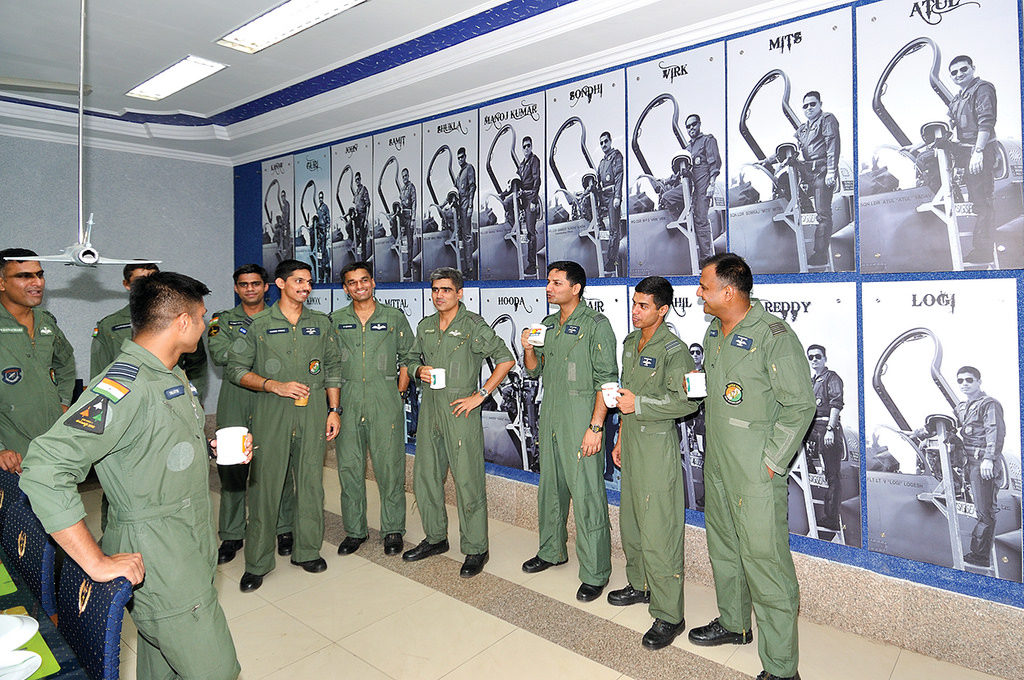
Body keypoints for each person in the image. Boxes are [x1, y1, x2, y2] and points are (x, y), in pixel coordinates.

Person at [20, 271, 241, 680]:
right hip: (160, 554)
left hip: (185, 541)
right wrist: (96, 562)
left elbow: (148, 444)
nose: (205, 325)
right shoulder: (125, 385)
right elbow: (45, 467)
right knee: (217, 671)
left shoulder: (170, 371)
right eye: (201, 316)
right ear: (182, 322)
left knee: (163, 664)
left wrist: (203, 450)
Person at [687, 253, 814, 680]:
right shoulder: (713, 331)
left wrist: (772, 463)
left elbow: (801, 406)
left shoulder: (774, 335)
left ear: (729, 290)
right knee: (724, 548)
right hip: (719, 462)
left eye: (704, 286)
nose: (698, 293)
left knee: (766, 562)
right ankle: (735, 623)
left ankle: (781, 668)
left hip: (756, 470)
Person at [227, 259, 342, 593]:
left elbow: (333, 367)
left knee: (310, 484)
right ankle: (258, 563)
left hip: (312, 414)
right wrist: (272, 385)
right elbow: (236, 369)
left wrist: (334, 410)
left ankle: (307, 551)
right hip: (271, 414)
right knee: (265, 488)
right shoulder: (259, 324)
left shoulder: (321, 323)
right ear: (279, 283)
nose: (306, 287)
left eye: (309, 282)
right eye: (299, 281)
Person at [403, 267, 514, 577]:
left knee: (467, 481)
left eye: (446, 290)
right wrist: (417, 371)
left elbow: (506, 358)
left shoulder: (472, 326)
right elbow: (411, 359)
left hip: (460, 411)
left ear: (459, 293)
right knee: (426, 477)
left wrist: (481, 394)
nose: (440, 295)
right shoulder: (425, 326)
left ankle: (476, 548)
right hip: (430, 411)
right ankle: (435, 538)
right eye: (436, 290)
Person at [608, 276, 697, 649]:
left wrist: (640, 407)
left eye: (643, 306)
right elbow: (626, 394)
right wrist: (619, 435)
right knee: (631, 522)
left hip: (657, 445)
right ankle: (640, 584)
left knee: (659, 530)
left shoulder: (675, 351)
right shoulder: (630, 343)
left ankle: (669, 614)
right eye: (633, 303)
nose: (635, 311)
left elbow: (689, 403)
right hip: (631, 441)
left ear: (662, 309)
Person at [520, 260, 617, 601]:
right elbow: (534, 372)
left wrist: (595, 427)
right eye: (548, 282)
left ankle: (595, 572)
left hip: (582, 418)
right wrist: (529, 349)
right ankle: (550, 551)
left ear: (575, 288)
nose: (549, 288)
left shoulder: (596, 324)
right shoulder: (546, 325)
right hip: (552, 417)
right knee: (551, 490)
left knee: (588, 495)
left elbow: (607, 382)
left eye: (557, 283)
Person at [207, 264, 297, 565]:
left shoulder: (281, 316)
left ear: (267, 287)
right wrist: (259, 352)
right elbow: (220, 355)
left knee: (277, 461)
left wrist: (246, 353)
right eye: (244, 285)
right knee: (232, 465)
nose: (250, 289)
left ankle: (283, 528)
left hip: (272, 397)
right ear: (236, 288)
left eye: (256, 284)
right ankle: (232, 533)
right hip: (236, 395)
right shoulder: (223, 320)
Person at [331, 262, 414, 557]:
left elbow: (408, 357)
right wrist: (334, 407)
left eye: (363, 280)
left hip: (385, 400)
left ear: (373, 282)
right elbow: (331, 365)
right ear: (345, 288)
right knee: (349, 468)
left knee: (390, 468)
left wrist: (399, 392)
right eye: (352, 283)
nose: (359, 286)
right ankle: (355, 531)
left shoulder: (393, 317)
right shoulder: (336, 320)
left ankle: (393, 530)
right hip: (348, 401)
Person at [0, 249, 75, 475]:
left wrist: (63, 401)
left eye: (39, 274)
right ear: (1, 283)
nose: (37, 282)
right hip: (12, 456)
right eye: (24, 276)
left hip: (52, 447)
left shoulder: (46, 322)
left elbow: (66, 363)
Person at [92, 262, 208, 403]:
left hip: (173, 393)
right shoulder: (109, 325)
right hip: (128, 395)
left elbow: (197, 364)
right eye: (139, 282)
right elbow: (100, 369)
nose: (148, 286)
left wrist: (195, 398)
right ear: (126, 284)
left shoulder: (177, 371)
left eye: (152, 279)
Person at [947, 55, 998, 263]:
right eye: (954, 72)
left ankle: (983, 252)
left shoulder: (983, 89)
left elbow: (987, 122)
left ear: (973, 68)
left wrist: (978, 151)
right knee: (926, 160)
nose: (959, 74)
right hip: (965, 149)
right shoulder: (958, 98)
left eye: (963, 69)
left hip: (981, 149)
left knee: (982, 201)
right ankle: (956, 195)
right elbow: (950, 120)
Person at [951, 366, 1004, 568]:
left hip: (983, 463)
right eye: (960, 380)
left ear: (979, 382)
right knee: (980, 511)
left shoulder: (989, 404)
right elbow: (954, 426)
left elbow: (995, 431)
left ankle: (980, 556)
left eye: (969, 380)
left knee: (984, 512)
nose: (964, 384)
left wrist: (989, 459)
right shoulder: (962, 408)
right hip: (968, 463)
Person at [793, 91, 839, 266]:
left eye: (812, 104)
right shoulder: (803, 130)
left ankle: (820, 255)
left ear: (820, 104)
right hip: (808, 171)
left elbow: (832, 145)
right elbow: (793, 150)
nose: (809, 108)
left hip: (822, 170)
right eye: (805, 106)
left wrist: (831, 171)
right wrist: (768, 161)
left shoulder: (827, 119)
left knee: (823, 214)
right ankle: (805, 204)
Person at [804, 344, 844, 532]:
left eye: (818, 357)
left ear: (825, 359)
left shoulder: (832, 378)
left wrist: (830, 429)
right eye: (811, 357)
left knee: (832, 475)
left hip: (828, 428)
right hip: (813, 427)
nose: (814, 360)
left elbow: (836, 404)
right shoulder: (812, 381)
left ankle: (831, 518)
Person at [502, 136, 541, 276]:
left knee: (531, 231)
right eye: (524, 146)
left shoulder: (534, 160)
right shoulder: (522, 164)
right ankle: (517, 228)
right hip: (522, 197)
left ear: (531, 146)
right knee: (507, 204)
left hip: (530, 197)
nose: (526, 148)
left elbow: (537, 180)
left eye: (528, 145)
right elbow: (516, 180)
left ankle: (532, 265)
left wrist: (534, 201)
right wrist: (504, 193)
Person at [684, 115, 721, 263]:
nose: (691, 128)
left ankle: (707, 258)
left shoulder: (707, 140)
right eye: (688, 126)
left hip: (703, 185)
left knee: (701, 219)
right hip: (691, 188)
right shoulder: (687, 148)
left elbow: (714, 163)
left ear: (699, 124)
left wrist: (712, 184)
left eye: (693, 124)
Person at [597, 131, 624, 274]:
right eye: (601, 143)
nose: (603, 145)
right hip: (603, 195)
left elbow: (619, 176)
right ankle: (599, 223)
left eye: (605, 141)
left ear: (610, 141)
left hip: (613, 194)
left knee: (614, 229)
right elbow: (597, 181)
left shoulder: (616, 156)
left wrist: (618, 196)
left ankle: (611, 261)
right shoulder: (601, 163)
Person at [456, 146, 477, 278]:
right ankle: (466, 267)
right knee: (463, 237)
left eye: (462, 157)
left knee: (467, 237)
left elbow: (472, 187)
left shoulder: (469, 168)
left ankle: (470, 269)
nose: (460, 160)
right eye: (458, 158)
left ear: (465, 156)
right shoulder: (459, 174)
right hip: (460, 207)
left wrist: (470, 206)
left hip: (466, 204)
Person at [399, 168, 417, 279]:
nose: (404, 178)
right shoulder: (402, 189)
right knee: (403, 243)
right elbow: (401, 204)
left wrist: (413, 219)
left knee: (410, 244)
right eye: (403, 176)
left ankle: (409, 269)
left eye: (406, 176)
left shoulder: (411, 187)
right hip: (403, 218)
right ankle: (403, 267)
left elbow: (414, 203)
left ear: (408, 176)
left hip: (410, 217)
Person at [353, 172, 371, 260]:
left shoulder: (364, 190)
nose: (357, 181)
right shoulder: (356, 192)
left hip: (363, 216)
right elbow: (355, 204)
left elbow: (368, 205)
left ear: (360, 179)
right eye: (356, 180)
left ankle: (363, 260)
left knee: (363, 241)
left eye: (358, 179)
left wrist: (366, 219)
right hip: (357, 217)